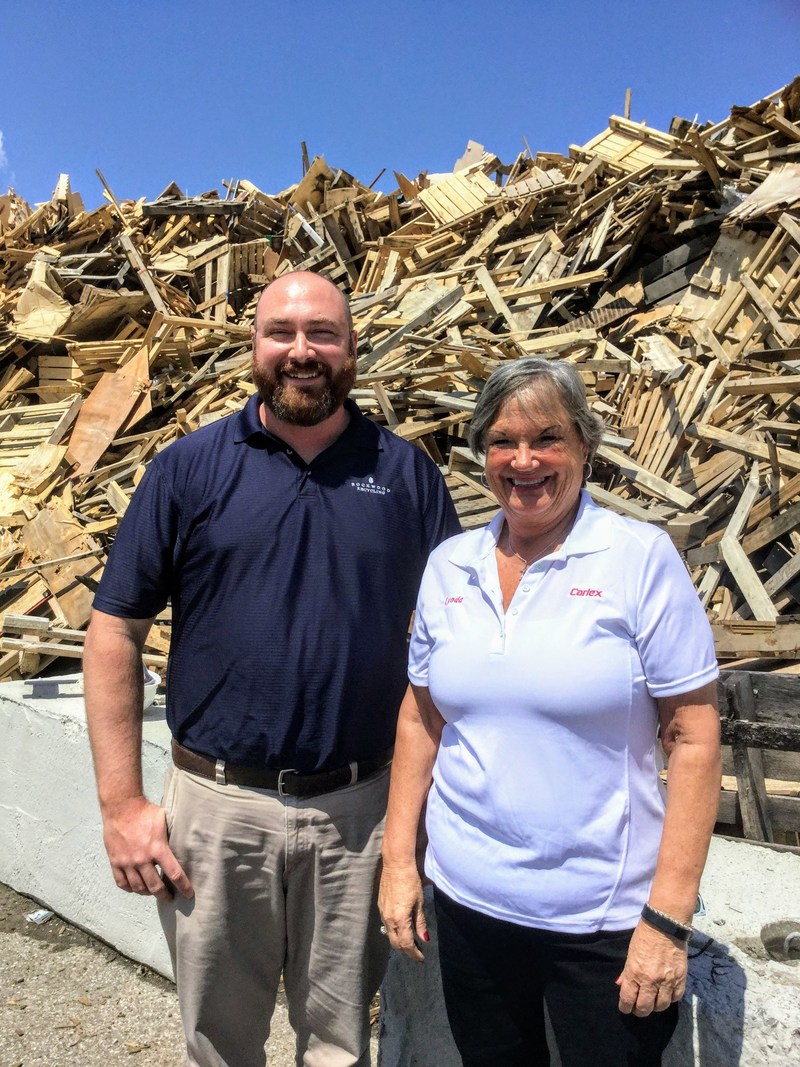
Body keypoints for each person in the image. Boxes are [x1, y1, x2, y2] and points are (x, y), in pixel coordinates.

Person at [83, 270, 460, 1067]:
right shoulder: (189, 469)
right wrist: (121, 803)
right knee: (219, 1043)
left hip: (358, 815)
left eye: (322, 333)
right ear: (253, 347)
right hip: (217, 814)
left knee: (337, 1043)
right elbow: (115, 628)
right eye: (281, 333)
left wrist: (422, 819)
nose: (301, 351)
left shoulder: (406, 477)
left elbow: (454, 649)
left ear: (352, 349)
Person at [378, 357, 721, 1067]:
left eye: (548, 438)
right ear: (481, 454)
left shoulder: (636, 559)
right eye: (503, 440)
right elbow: (421, 720)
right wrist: (399, 862)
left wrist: (668, 915)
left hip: (600, 922)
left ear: (585, 447)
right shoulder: (451, 565)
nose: (524, 460)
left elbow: (692, 736)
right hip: (470, 904)